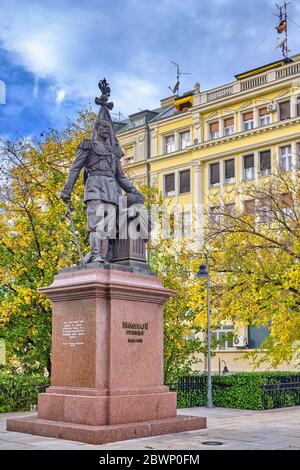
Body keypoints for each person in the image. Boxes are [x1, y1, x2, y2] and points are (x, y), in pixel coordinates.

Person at [60, 118, 144, 263]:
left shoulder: (113, 151)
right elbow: (76, 168)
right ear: (97, 129)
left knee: (108, 226)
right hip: (94, 185)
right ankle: (96, 255)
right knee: (96, 223)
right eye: (104, 127)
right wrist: (67, 189)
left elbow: (121, 176)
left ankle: (101, 256)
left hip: (110, 189)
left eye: (108, 128)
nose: (107, 130)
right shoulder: (88, 145)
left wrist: (135, 191)